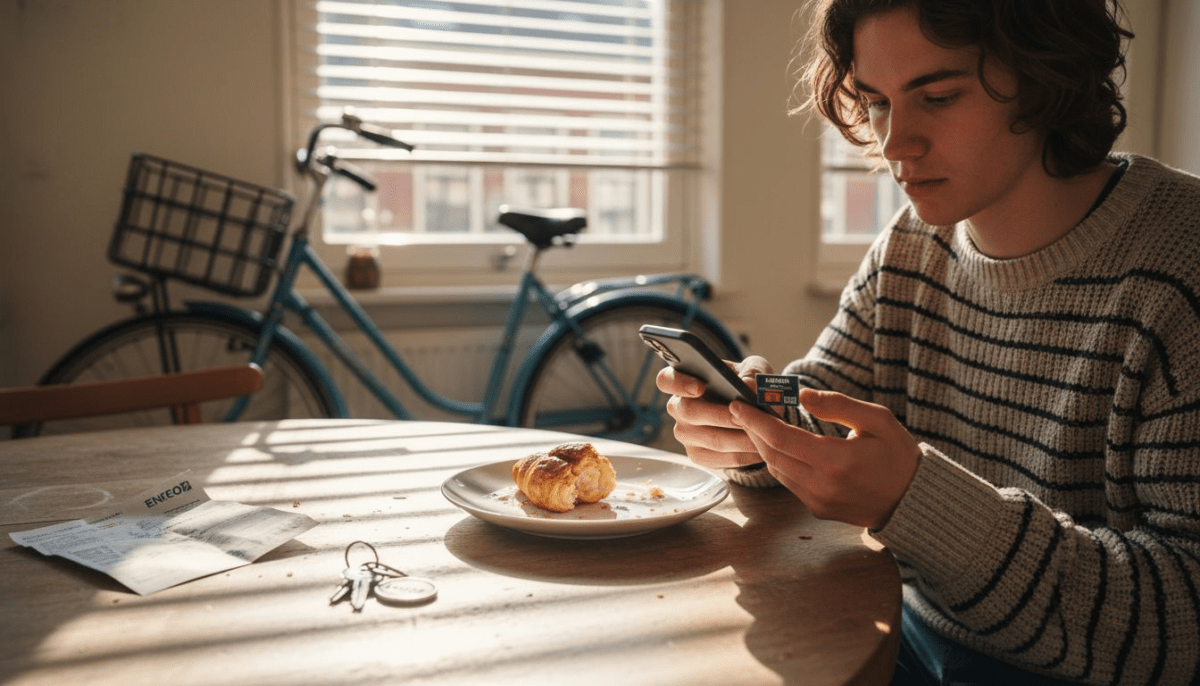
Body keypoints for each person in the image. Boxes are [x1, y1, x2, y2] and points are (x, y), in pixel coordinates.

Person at [656, 0, 1200, 684]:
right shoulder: (910, 250)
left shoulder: (1183, 271)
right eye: (876, 101)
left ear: (1046, 77)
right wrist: (750, 427)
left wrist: (912, 500)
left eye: (937, 97)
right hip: (905, 640)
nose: (893, 144)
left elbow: (1182, 622)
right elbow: (821, 416)